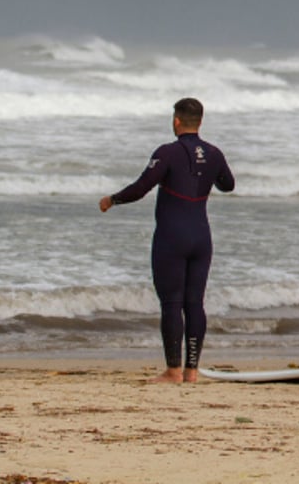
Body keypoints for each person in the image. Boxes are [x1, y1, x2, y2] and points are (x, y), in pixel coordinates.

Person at [99, 98, 235, 383]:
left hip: (172, 237)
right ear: (200, 121)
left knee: (172, 303)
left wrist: (113, 199)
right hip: (201, 236)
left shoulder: (167, 152)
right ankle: (192, 371)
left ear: (176, 121)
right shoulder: (214, 153)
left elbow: (140, 188)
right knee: (195, 303)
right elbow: (228, 184)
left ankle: (173, 371)